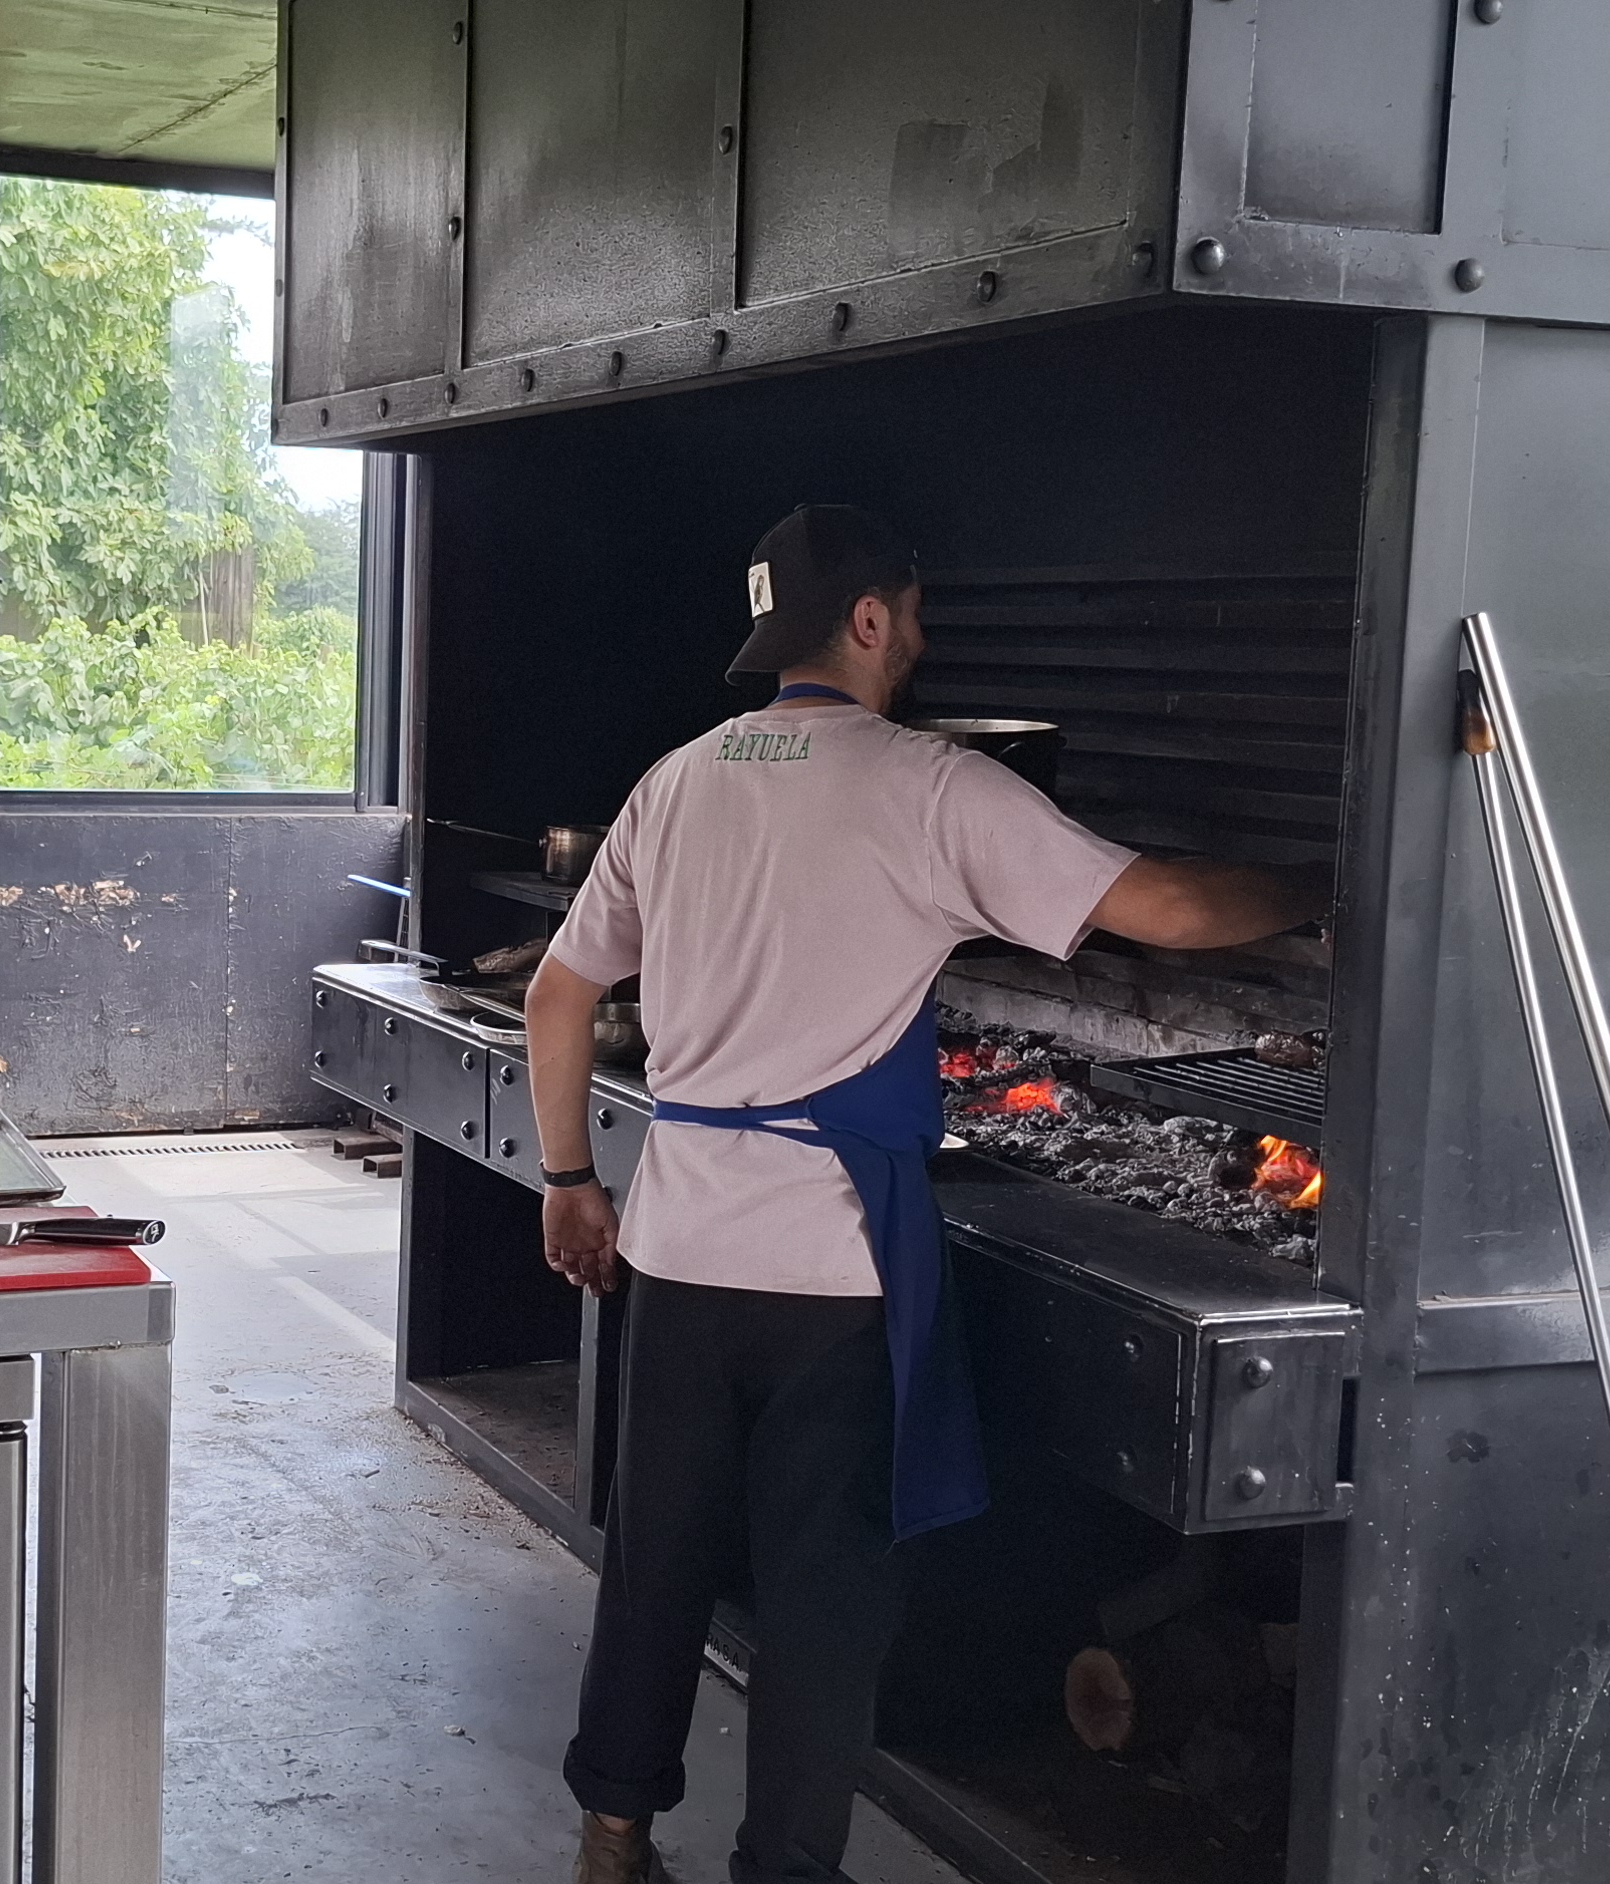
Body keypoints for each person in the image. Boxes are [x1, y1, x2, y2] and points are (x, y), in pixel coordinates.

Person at [521, 504, 1321, 1884]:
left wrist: (568, 1181)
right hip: (830, 1271)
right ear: (871, 618)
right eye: (918, 618)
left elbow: (557, 994)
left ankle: (612, 1837)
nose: (923, 644)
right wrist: (1334, 880)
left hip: (680, 1243)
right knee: (824, 1603)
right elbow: (1175, 913)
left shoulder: (678, 780)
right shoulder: (932, 787)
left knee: (657, 1564)